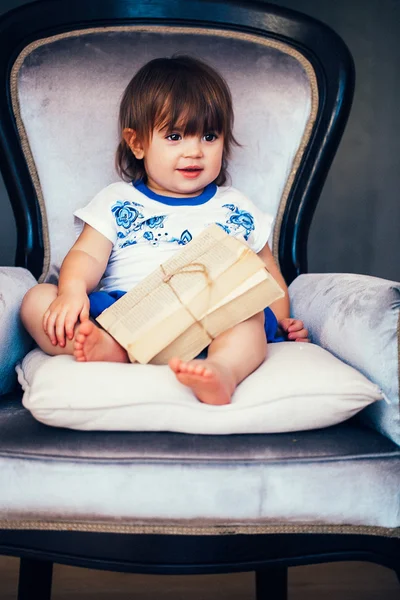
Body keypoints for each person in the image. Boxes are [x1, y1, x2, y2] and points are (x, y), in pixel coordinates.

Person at [21, 55, 309, 406]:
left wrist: (281, 321)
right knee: (37, 301)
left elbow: (265, 272)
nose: (194, 151)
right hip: (127, 312)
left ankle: (222, 371)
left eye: (209, 136)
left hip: (214, 316)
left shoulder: (237, 207)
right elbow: (86, 254)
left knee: (246, 315)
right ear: (138, 143)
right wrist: (71, 290)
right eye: (175, 136)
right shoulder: (117, 200)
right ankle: (114, 348)